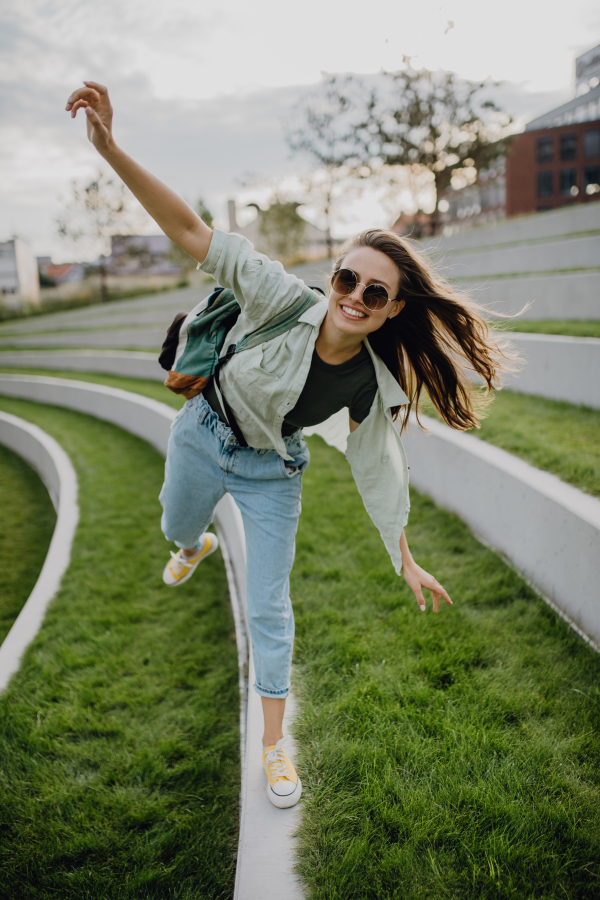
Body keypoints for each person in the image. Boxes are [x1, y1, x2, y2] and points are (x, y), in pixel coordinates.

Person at [66, 82, 509, 809]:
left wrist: (402, 554)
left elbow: (378, 467)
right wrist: (111, 149)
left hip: (273, 473)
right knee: (176, 523)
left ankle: (276, 745)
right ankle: (190, 547)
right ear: (332, 274)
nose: (355, 298)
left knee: (271, 606)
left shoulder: (371, 382)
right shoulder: (277, 296)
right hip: (204, 434)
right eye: (348, 279)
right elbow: (188, 230)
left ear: (393, 308)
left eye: (375, 294)